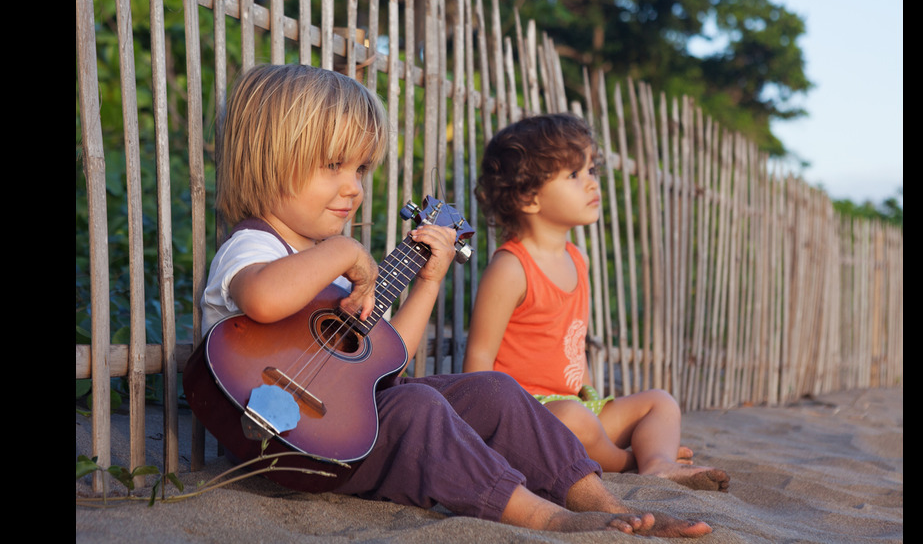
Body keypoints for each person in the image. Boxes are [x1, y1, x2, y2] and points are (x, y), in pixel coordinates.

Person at [200, 64, 713, 537]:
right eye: (334, 164)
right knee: (416, 405)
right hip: (285, 440)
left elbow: (384, 354)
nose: (354, 188)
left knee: (493, 389)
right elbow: (264, 299)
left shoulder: (328, 271)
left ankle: (598, 501)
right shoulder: (255, 246)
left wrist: (427, 280)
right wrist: (344, 250)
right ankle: (546, 517)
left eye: (361, 170)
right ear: (267, 160)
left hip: (345, 425)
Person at [463, 113, 729, 492]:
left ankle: (657, 464)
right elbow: (478, 361)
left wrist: (593, 397)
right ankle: (630, 460)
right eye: (574, 175)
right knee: (573, 420)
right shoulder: (511, 268)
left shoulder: (577, 259)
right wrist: (483, 435)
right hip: (528, 417)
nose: (591, 182)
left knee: (660, 401)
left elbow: (573, 343)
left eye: (591, 169)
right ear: (528, 197)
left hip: (576, 405)